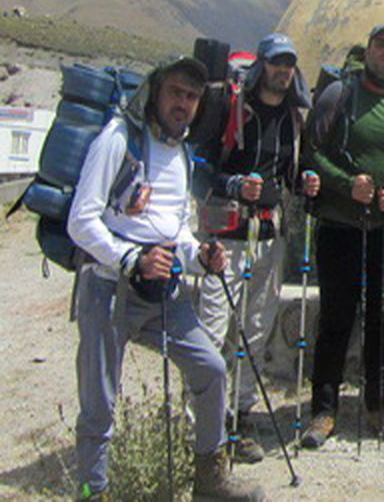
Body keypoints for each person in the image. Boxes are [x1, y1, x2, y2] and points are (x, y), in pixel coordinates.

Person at [67, 56, 263, 501]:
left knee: (211, 370)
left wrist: (200, 257)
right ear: (155, 92)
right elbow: (81, 221)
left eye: (192, 97)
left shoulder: (182, 155)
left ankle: (210, 482)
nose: (183, 104)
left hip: (163, 291)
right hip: (107, 287)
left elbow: (175, 231)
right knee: (100, 403)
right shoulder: (118, 139)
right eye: (176, 92)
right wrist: (131, 259)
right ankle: (90, 492)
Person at [300, 24, 384, 448]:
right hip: (341, 226)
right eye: (380, 45)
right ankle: (323, 411)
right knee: (336, 317)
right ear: (369, 49)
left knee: (382, 320)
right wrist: (343, 183)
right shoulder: (339, 95)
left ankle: (379, 407)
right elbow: (312, 151)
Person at [192, 33, 320, 463]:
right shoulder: (229, 107)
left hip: (269, 235)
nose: (282, 71)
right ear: (261, 65)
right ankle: (205, 426)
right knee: (213, 328)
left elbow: (293, 174)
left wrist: (306, 183)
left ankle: (240, 415)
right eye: (275, 62)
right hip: (226, 237)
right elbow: (198, 166)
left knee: (256, 328)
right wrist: (233, 184)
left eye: (288, 64)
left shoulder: (292, 119)